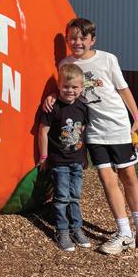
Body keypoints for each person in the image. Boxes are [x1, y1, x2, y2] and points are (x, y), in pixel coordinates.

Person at [43, 18, 138, 256]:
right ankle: (124, 233)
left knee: (128, 176)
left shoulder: (107, 59)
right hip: (94, 131)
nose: (77, 42)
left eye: (82, 38)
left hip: (117, 126)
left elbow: (123, 90)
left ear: (92, 40)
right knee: (107, 179)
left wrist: (137, 119)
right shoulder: (65, 63)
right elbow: (66, 89)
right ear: (67, 40)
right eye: (72, 38)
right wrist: (51, 96)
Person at [38, 63, 90, 252]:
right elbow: (43, 132)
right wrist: (44, 156)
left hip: (76, 161)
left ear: (81, 88)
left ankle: (76, 228)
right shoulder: (53, 107)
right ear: (59, 86)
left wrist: (84, 157)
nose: (70, 90)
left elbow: (81, 131)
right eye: (66, 86)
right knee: (61, 198)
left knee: (75, 197)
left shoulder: (82, 107)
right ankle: (62, 231)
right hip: (59, 161)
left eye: (75, 87)